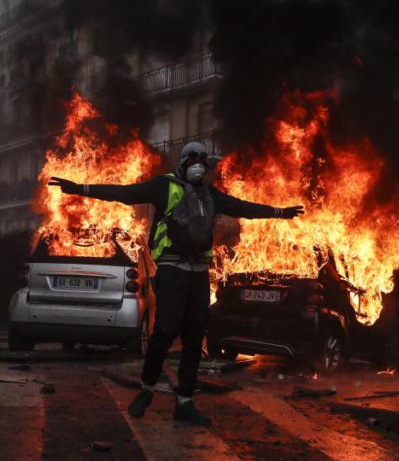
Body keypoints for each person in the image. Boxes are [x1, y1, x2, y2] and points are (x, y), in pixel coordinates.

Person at [49, 141, 303, 426]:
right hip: (171, 268)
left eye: (202, 161)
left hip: (198, 272)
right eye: (192, 159)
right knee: (166, 329)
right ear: (182, 162)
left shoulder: (209, 194)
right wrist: (80, 189)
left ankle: (184, 402)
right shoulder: (163, 186)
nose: (198, 165)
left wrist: (279, 213)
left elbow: (243, 207)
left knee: (195, 336)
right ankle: (146, 388)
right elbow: (123, 193)